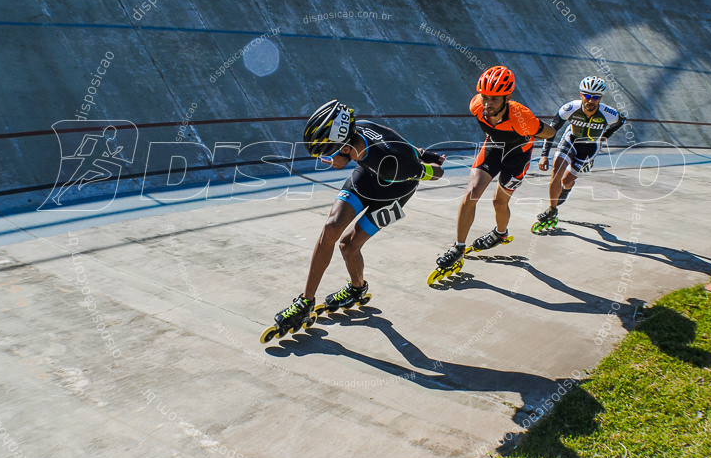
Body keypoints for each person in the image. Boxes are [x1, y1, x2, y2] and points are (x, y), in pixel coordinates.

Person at [262, 100, 446, 342]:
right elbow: (396, 139)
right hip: (368, 174)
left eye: (328, 154)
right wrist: (420, 150)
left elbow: (435, 172)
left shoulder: (392, 164)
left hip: (395, 192)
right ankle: (305, 302)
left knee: (348, 245)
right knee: (331, 228)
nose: (326, 160)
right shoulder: (358, 128)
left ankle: (357, 288)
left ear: (346, 148)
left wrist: (421, 163)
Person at [434, 66, 555, 274]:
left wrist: (540, 143)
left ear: (507, 98)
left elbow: (550, 132)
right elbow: (483, 105)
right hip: (494, 148)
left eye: (495, 99)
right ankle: (458, 247)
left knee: (499, 202)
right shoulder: (476, 105)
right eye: (485, 97)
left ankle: (500, 233)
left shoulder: (522, 117)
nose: (488, 104)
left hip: (518, 156)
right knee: (471, 193)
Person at [535, 76, 626, 230]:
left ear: (600, 98)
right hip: (570, 141)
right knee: (556, 173)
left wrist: (605, 136)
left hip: (589, 149)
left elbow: (621, 121)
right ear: (581, 95)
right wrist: (544, 155)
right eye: (587, 96)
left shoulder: (609, 113)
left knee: (566, 181)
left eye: (595, 97)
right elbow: (551, 131)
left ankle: (567, 189)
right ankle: (552, 209)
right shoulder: (569, 108)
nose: (591, 100)